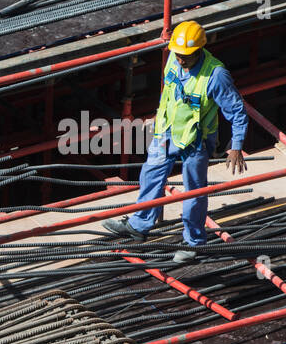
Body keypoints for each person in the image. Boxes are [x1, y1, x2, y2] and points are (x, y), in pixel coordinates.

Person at [103, 20, 248, 264]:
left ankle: (194, 243)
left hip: (196, 140)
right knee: (151, 173)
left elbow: (237, 111)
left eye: (186, 56)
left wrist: (236, 145)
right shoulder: (174, 57)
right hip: (167, 131)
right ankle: (140, 225)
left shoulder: (215, 75)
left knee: (194, 191)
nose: (180, 60)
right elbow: (169, 93)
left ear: (199, 50)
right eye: (177, 54)